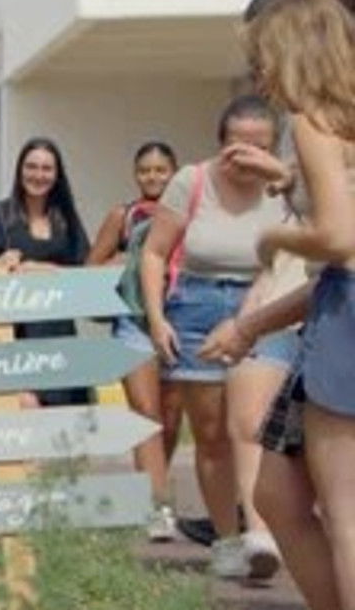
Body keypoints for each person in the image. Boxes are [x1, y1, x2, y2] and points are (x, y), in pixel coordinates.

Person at [205, 0, 355, 610]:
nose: (258, 75)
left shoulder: (311, 121)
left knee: (345, 513)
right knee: (275, 492)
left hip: (343, 322)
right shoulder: (340, 122)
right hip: (333, 309)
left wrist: (272, 239)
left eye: (261, 56)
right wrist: (288, 178)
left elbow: (339, 239)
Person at [138, 95, 290, 579]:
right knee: (210, 435)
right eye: (237, 145)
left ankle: (260, 534)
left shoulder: (286, 186)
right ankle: (227, 539)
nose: (246, 156)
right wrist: (157, 318)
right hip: (197, 306)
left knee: (252, 423)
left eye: (259, 146)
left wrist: (282, 176)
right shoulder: (192, 181)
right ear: (220, 142)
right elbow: (154, 253)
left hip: (266, 302)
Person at [0, 137, 92, 407]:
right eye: (31, 167)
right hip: (7, 336)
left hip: (57, 338)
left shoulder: (66, 220)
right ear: (20, 170)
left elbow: (84, 271)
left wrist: (46, 269)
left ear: (57, 175)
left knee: (59, 425)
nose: (38, 175)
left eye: (46, 168)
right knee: (21, 415)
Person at [86, 141, 184, 541]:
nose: (153, 177)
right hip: (132, 321)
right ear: (135, 174)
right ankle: (160, 507)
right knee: (145, 414)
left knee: (171, 417)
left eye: (161, 170)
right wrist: (124, 263)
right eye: (145, 170)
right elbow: (92, 266)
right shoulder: (122, 216)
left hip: (179, 320)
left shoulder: (187, 212)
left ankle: (150, 489)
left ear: (174, 173)